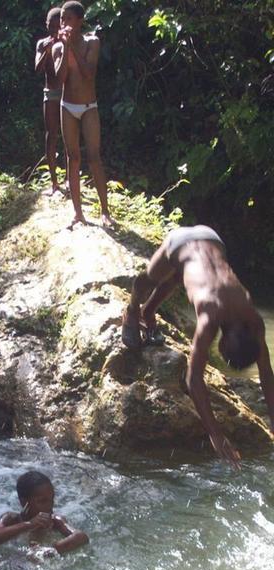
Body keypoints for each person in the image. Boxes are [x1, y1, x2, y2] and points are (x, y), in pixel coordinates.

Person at [121, 225, 274, 466]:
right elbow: (194, 380)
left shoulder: (251, 317)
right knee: (149, 279)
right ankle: (132, 311)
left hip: (212, 236)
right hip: (180, 243)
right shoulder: (209, 320)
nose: (219, 353)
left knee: (179, 273)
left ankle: (148, 312)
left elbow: (266, 372)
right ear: (223, 340)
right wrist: (215, 433)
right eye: (223, 353)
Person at [52, 1, 113, 229]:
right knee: (72, 158)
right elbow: (59, 79)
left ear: (79, 21)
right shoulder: (59, 47)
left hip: (89, 107)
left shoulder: (92, 43)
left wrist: (73, 47)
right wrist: (64, 47)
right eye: (62, 19)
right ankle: (78, 213)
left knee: (94, 157)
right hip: (67, 107)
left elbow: (88, 74)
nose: (64, 23)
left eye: (68, 19)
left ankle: (105, 211)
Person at [0, 470, 89, 555]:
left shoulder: (55, 521)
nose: (50, 505)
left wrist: (48, 552)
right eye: (42, 501)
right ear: (23, 501)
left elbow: (81, 537)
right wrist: (29, 525)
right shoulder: (11, 519)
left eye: (52, 499)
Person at [35, 8, 63, 196]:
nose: (54, 29)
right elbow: (37, 69)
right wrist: (46, 50)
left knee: (70, 139)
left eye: (57, 25)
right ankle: (54, 183)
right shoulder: (41, 43)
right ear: (46, 25)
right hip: (51, 93)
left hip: (68, 93)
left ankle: (70, 181)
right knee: (51, 136)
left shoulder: (67, 42)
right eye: (51, 26)